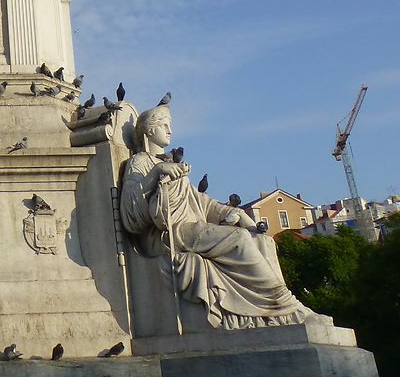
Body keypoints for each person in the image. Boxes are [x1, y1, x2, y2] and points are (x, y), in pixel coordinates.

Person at [120, 101, 313, 329]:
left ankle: (276, 314)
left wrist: (234, 213)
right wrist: (156, 174)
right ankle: (283, 304)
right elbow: (131, 215)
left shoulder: (172, 164)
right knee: (239, 239)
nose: (170, 130)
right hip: (166, 235)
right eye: (164, 125)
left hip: (190, 229)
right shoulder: (139, 162)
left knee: (261, 240)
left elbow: (201, 202)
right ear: (150, 130)